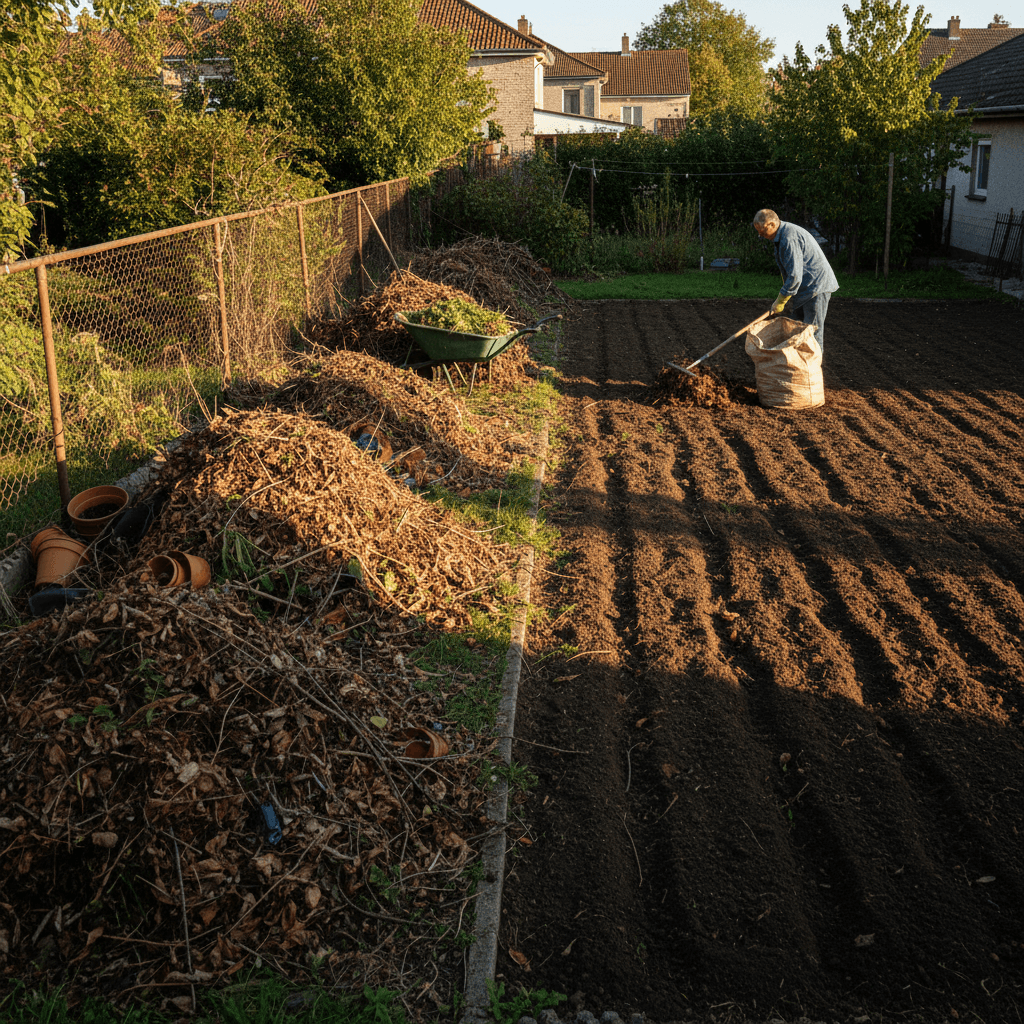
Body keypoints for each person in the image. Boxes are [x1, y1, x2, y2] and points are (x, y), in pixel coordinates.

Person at [753, 209, 839, 352]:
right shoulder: (781, 236)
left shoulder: (788, 238)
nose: (760, 235)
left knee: (811, 333)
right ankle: (797, 369)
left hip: (815, 287)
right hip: (804, 288)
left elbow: (794, 276)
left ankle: (811, 372)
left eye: (762, 231)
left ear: (772, 224)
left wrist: (781, 300)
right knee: (797, 328)